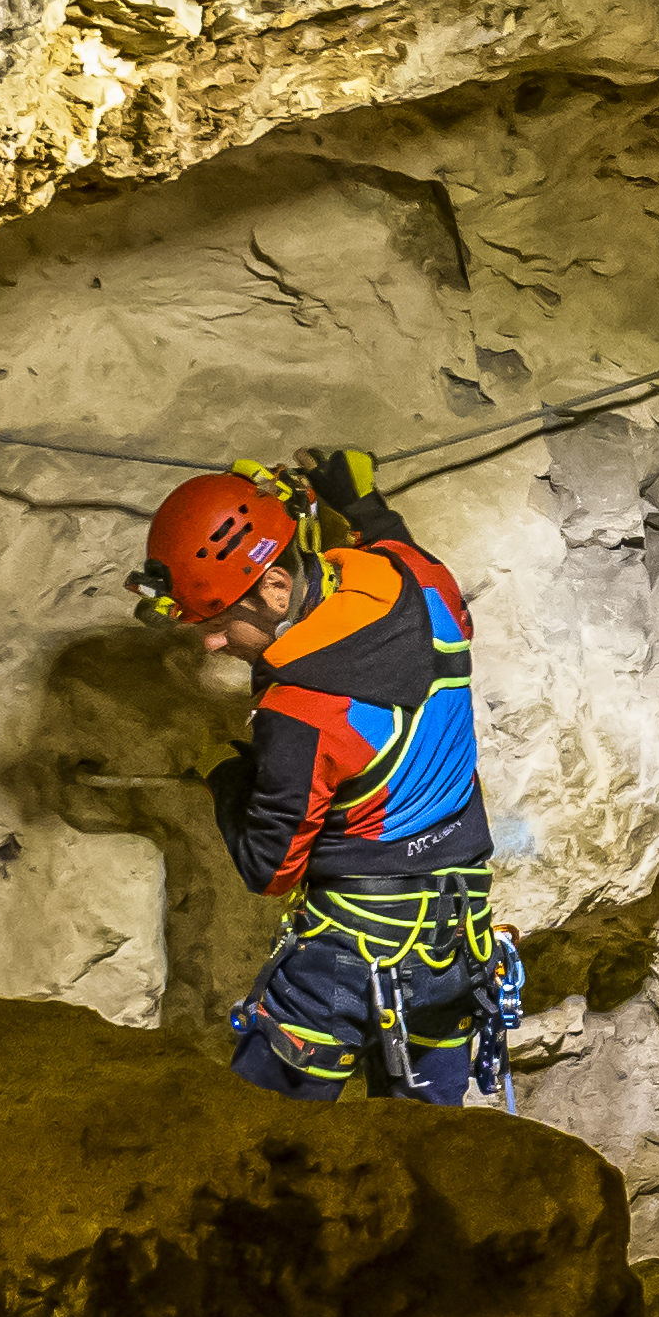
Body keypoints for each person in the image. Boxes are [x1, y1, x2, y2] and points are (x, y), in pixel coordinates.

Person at [134, 449, 524, 1105]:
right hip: (459, 942)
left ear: (274, 589)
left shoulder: (301, 712)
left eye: (219, 622)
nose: (210, 643)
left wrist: (222, 771)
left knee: (259, 1142)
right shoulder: (426, 584)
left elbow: (271, 867)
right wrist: (357, 498)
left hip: (351, 958)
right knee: (427, 1147)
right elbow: (393, 542)